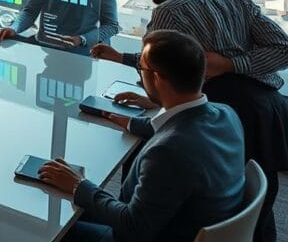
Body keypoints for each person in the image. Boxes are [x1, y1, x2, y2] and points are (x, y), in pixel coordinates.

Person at [91, 0, 288, 242]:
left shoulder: (168, 12)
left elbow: (156, 63)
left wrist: (225, 65)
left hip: (232, 106)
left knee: (162, 173)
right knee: (252, 199)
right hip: (269, 109)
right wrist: (236, 62)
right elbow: (283, 49)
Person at [43, 30, 245, 242]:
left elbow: (133, 227)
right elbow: (180, 127)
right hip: (188, 222)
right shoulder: (225, 113)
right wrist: (129, 121)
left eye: (141, 67)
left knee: (53, 226)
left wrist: (79, 185)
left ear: (156, 78)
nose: (140, 72)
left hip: (149, 233)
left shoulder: (168, 153)